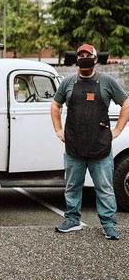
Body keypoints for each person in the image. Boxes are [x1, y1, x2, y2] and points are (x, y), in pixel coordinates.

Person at [51, 44, 129, 240]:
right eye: (81, 55)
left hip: (100, 147)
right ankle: (72, 220)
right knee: (72, 186)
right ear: (76, 59)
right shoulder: (68, 82)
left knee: (104, 188)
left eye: (88, 55)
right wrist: (58, 129)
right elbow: (55, 104)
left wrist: (118, 129)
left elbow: (126, 103)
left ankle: (108, 224)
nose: (84, 58)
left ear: (95, 59)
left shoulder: (107, 81)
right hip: (74, 148)